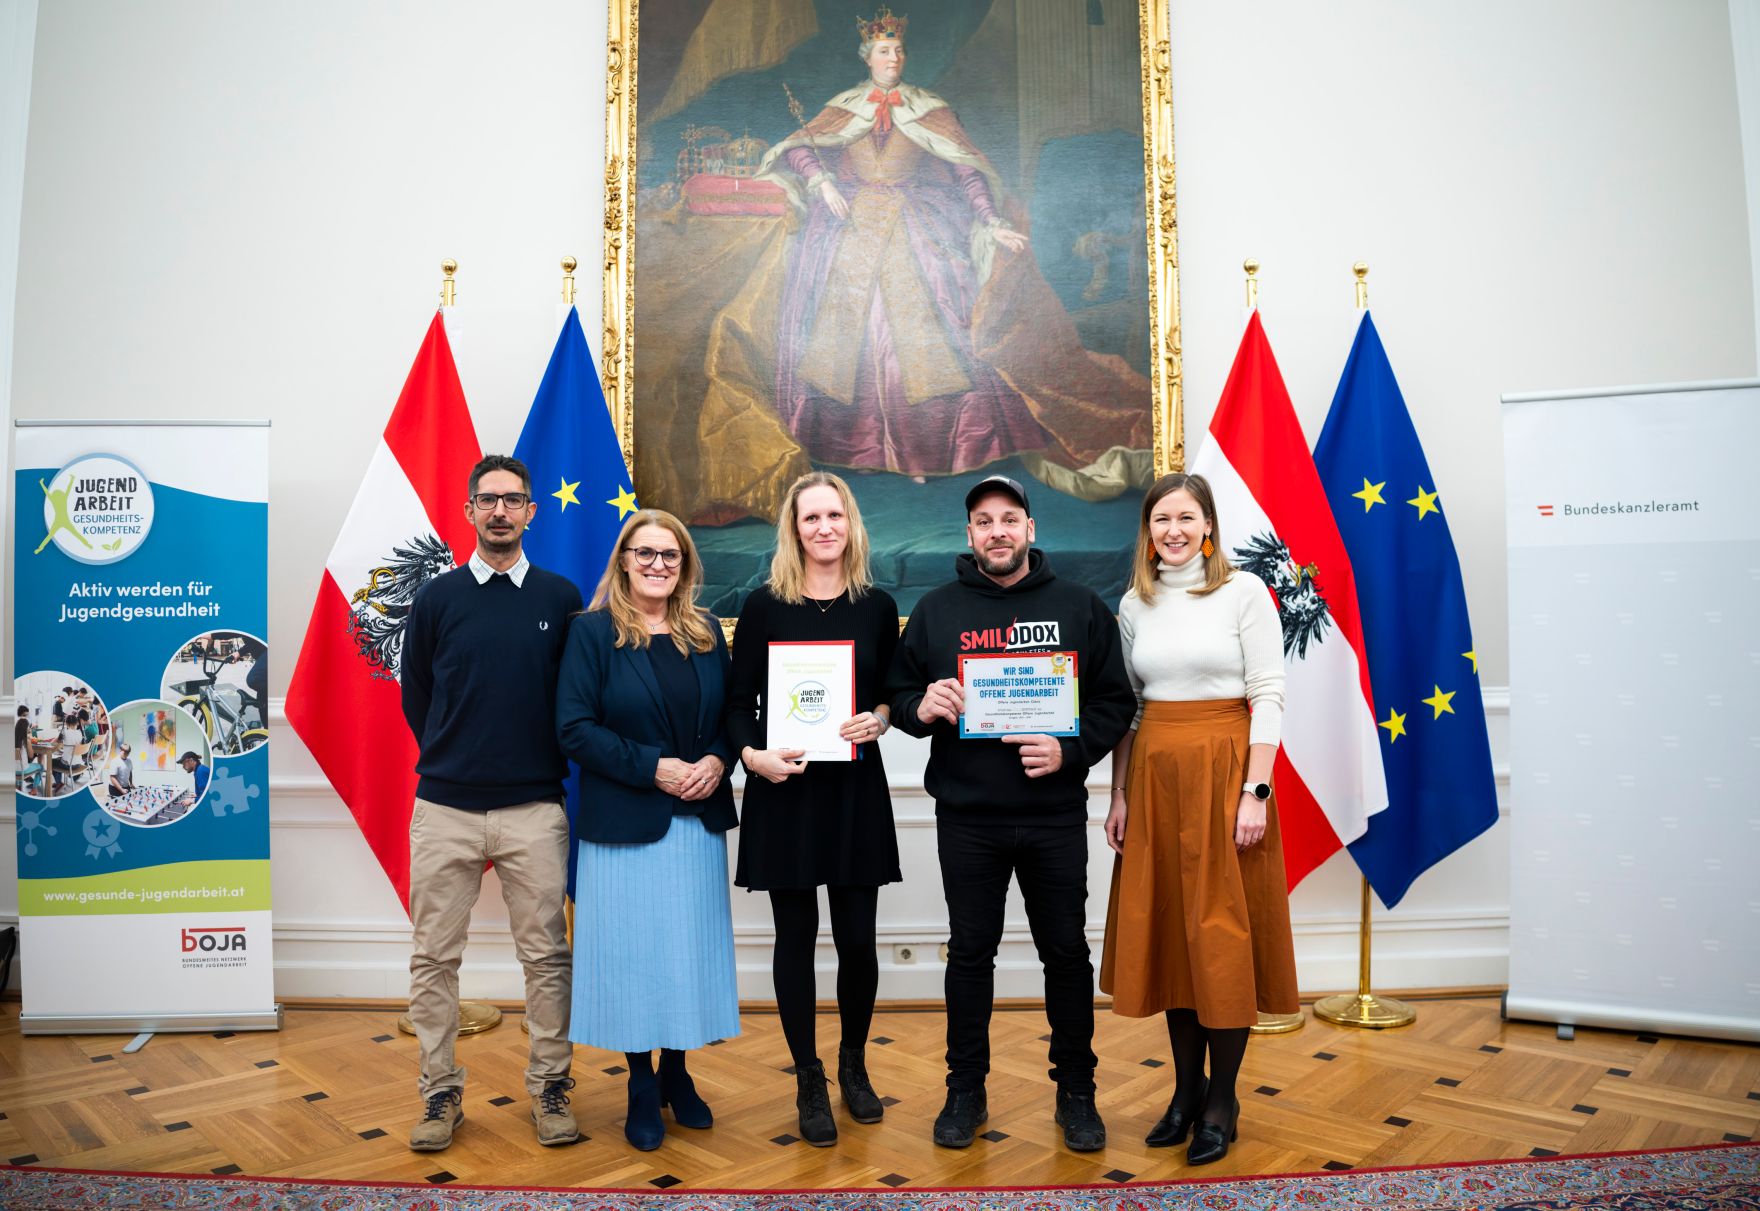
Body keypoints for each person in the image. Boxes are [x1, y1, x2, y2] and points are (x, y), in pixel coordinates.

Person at [747, 8, 1149, 484]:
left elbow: (967, 171)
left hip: (914, 225)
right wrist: (822, 182)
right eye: (884, 51)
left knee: (925, 327)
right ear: (867, 57)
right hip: (850, 229)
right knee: (849, 333)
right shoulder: (845, 106)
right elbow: (798, 148)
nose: (893, 58)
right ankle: (856, 447)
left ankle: (924, 452)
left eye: (898, 51)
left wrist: (992, 222)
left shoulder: (929, 109)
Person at [887, 474, 1134, 1151]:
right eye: (983, 521)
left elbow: (1115, 702)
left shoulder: (1080, 606)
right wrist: (920, 706)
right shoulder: (935, 610)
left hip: (1054, 816)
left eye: (1008, 518)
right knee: (970, 954)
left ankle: (1076, 1091)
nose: (997, 531)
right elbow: (899, 695)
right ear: (969, 534)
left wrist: (1070, 750)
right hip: (968, 817)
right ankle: (964, 1090)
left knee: (1066, 954)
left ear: (1030, 528)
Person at [1099, 473, 1297, 1166]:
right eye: (1161, 519)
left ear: (1208, 524)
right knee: (1174, 939)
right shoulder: (1135, 602)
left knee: (1219, 936)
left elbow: (1268, 692)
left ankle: (1223, 1101)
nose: (1174, 530)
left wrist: (1255, 791)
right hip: (1155, 778)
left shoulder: (1245, 592)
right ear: (1148, 531)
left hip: (1225, 774)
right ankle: (1186, 1092)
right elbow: (1130, 708)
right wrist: (1119, 794)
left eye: (1186, 517)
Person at [398, 454, 583, 1153]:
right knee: (433, 958)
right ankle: (439, 1093)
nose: (500, 511)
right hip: (445, 806)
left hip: (534, 808)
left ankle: (551, 1087)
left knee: (547, 957)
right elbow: (418, 695)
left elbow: (574, 698)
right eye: (488, 499)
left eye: (513, 500)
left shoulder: (560, 597)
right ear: (469, 510)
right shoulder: (437, 598)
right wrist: (459, 757)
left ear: (532, 511)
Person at [556, 508, 740, 1152]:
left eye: (670, 555)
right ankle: (639, 1081)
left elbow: (732, 713)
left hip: (697, 818)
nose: (658, 564)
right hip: (625, 823)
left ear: (684, 565)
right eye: (646, 553)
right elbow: (574, 728)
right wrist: (652, 767)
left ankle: (677, 1073)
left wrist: (717, 759)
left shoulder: (706, 630)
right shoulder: (591, 632)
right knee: (632, 959)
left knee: (686, 954)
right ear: (624, 561)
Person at [725, 472, 900, 1146]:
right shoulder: (763, 605)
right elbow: (738, 702)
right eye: (810, 518)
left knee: (858, 938)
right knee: (794, 938)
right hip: (785, 786)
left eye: (834, 515)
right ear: (793, 529)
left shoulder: (877, 606)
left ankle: (854, 1063)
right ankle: (808, 1076)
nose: (824, 527)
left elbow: (890, 693)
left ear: (850, 524)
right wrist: (752, 756)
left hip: (854, 789)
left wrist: (879, 719)